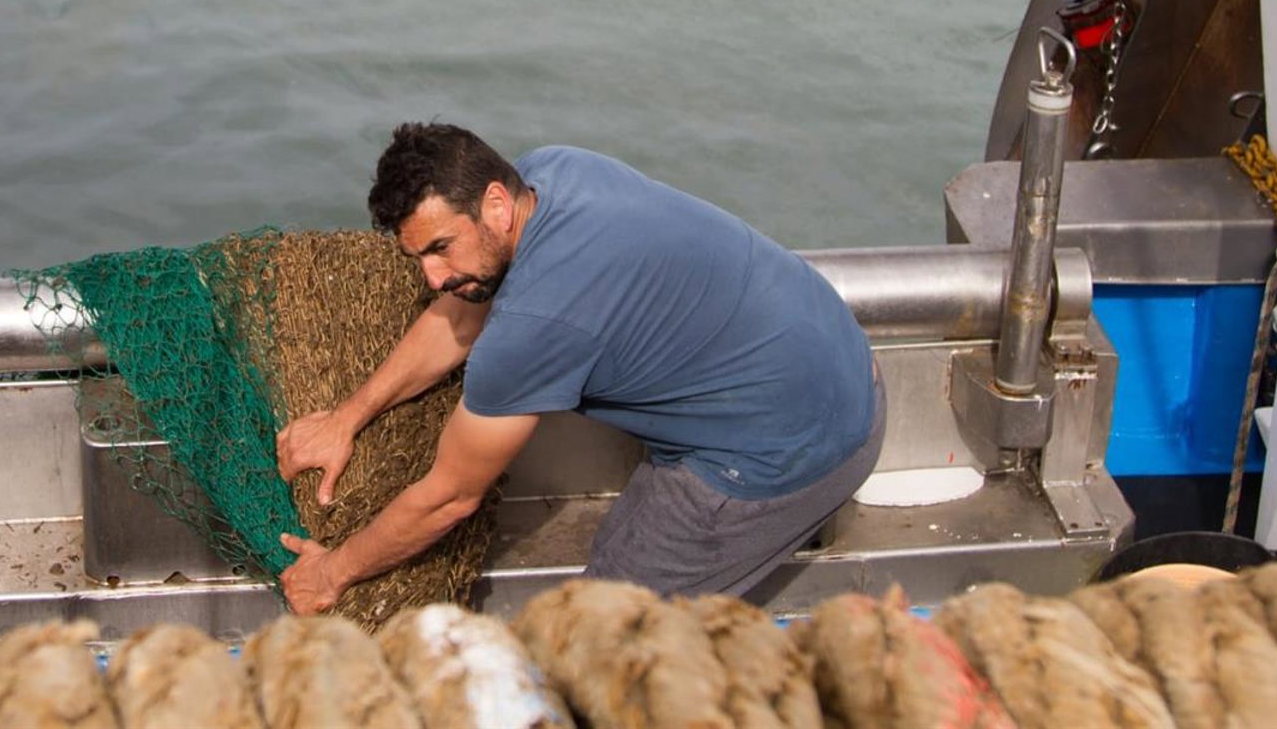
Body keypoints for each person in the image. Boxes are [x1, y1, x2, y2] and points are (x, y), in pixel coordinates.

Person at [275, 122, 882, 614]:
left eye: (441, 248)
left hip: (793, 449)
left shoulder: (534, 326)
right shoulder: (553, 170)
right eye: (418, 257)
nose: (433, 278)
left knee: (597, 634)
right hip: (844, 359)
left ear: (495, 205)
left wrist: (333, 571)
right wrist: (347, 418)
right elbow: (459, 314)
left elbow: (450, 497)